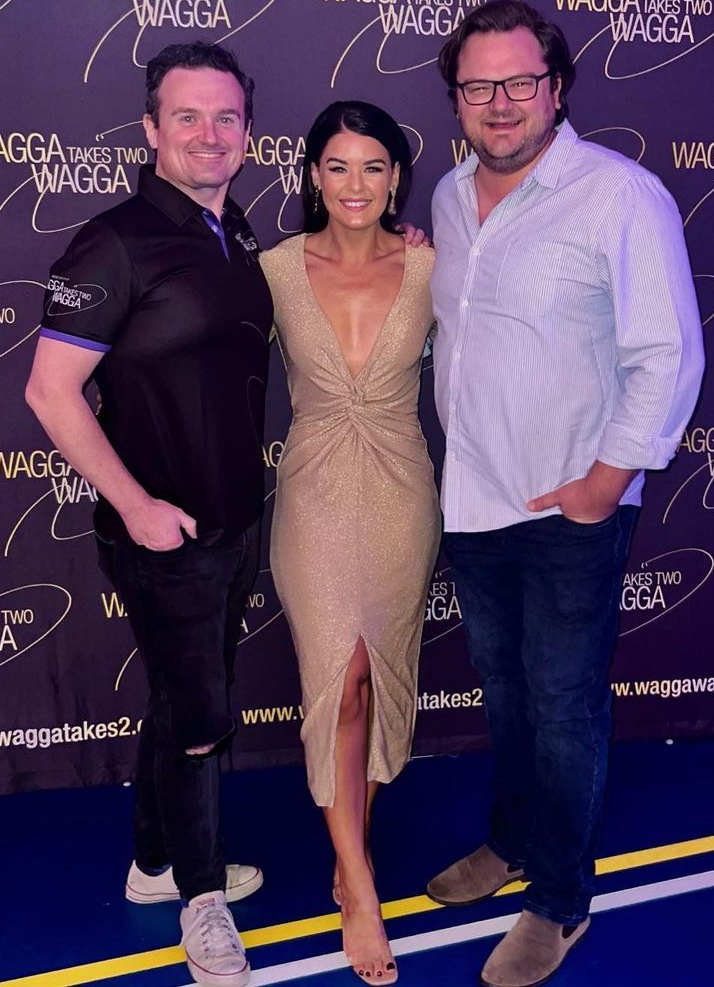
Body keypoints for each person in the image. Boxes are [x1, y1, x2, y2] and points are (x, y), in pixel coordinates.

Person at [425, 0, 705, 987]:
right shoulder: (448, 196)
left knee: (563, 705)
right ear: (456, 99)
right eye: (478, 86)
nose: (500, 103)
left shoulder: (618, 195)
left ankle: (559, 899)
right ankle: (512, 842)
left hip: (567, 512)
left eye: (520, 82)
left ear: (556, 87)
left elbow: (667, 353)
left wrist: (604, 484)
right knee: (505, 694)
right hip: (475, 500)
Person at [25, 41, 271, 987]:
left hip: (233, 525)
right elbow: (50, 392)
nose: (209, 134)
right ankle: (202, 903)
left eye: (226, 117)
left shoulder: (235, 230)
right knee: (201, 715)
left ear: (247, 132)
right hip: (163, 536)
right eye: (187, 117)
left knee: (182, 696)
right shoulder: (114, 242)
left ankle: (154, 864)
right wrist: (135, 507)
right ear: (150, 130)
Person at [259, 101, 439, 983]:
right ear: (312, 176)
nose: (355, 184)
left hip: (403, 492)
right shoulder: (276, 269)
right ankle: (359, 890)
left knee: (377, 677)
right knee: (338, 679)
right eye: (337, 166)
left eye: (373, 167)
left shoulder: (435, 266)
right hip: (314, 493)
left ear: (396, 177)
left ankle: (350, 850)